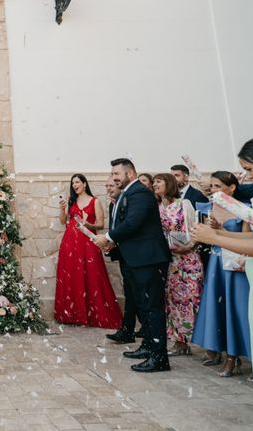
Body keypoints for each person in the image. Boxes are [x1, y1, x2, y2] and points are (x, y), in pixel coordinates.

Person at [93, 159, 171, 373]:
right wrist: (112, 243)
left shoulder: (140, 193)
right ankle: (147, 346)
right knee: (143, 305)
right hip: (135, 258)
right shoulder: (127, 193)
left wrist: (108, 236)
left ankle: (159, 357)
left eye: (117, 173)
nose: (114, 177)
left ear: (130, 173)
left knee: (153, 308)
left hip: (148, 258)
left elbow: (133, 223)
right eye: (112, 173)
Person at [191, 171, 252, 377]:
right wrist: (213, 229)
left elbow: (247, 237)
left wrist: (217, 233)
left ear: (232, 188)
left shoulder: (244, 209)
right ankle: (224, 354)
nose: (214, 191)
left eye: (218, 186)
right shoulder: (213, 208)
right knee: (218, 306)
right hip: (217, 261)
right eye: (212, 187)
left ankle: (238, 356)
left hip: (235, 263)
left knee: (237, 309)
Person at [55, 174, 122, 328]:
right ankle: (72, 315)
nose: (74, 185)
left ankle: (93, 315)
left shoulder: (95, 201)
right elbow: (63, 221)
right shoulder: (72, 201)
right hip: (70, 243)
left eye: (77, 182)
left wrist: (87, 224)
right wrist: (62, 209)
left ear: (84, 184)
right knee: (72, 276)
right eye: (72, 183)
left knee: (93, 274)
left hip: (88, 242)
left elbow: (100, 224)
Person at [152, 173, 203, 356]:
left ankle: (205, 342)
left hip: (188, 259)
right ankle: (180, 342)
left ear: (169, 184)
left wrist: (190, 245)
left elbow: (196, 229)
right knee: (172, 301)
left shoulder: (184, 204)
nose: (155, 184)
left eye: (159, 181)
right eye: (154, 182)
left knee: (192, 299)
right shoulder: (156, 208)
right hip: (169, 261)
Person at [104, 175, 143, 344]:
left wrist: (108, 238)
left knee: (137, 293)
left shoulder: (128, 203)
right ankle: (127, 329)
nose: (108, 188)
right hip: (122, 253)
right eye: (106, 186)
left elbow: (128, 226)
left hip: (135, 254)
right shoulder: (113, 204)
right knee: (130, 293)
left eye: (111, 185)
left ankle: (140, 330)